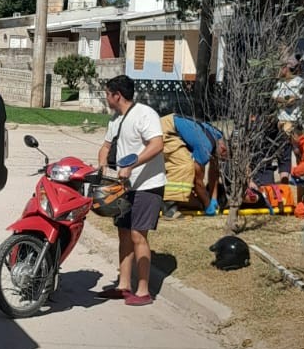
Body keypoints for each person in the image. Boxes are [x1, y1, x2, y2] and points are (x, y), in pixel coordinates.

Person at [96, 75, 166, 306]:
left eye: (107, 94)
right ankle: (123, 286)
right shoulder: (116, 120)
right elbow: (106, 146)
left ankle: (144, 290)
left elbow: (157, 144)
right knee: (123, 233)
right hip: (124, 186)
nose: (106, 98)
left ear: (117, 95)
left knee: (138, 234)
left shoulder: (145, 114)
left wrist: (132, 165)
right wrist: (101, 165)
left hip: (148, 185)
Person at [161, 114, 227, 216]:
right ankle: (169, 208)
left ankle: (174, 201)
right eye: (223, 158)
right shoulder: (205, 146)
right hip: (166, 129)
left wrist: (213, 198)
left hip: (171, 124)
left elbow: (214, 169)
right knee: (184, 165)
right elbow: (197, 181)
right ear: (223, 149)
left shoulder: (217, 135)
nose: (221, 160)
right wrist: (207, 205)